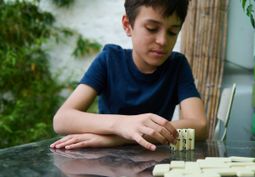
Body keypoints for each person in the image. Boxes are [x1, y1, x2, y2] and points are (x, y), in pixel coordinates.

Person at [50, 0, 208, 151]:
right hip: (106, 164)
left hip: (155, 165)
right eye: (152, 28)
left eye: (173, 32)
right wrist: (122, 124)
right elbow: (62, 119)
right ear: (127, 25)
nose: (162, 40)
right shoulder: (109, 60)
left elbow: (200, 126)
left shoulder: (177, 66)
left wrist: (120, 138)